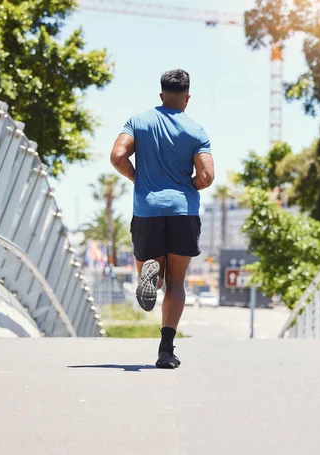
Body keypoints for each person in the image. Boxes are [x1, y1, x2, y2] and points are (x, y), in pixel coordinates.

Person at [110, 69, 215, 369]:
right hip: (183, 211)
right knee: (177, 283)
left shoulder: (138, 122)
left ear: (161, 95)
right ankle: (166, 350)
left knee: (154, 277)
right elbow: (206, 176)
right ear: (187, 98)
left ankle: (149, 277)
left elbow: (117, 156)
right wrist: (187, 187)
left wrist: (137, 177)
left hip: (148, 210)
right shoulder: (196, 130)